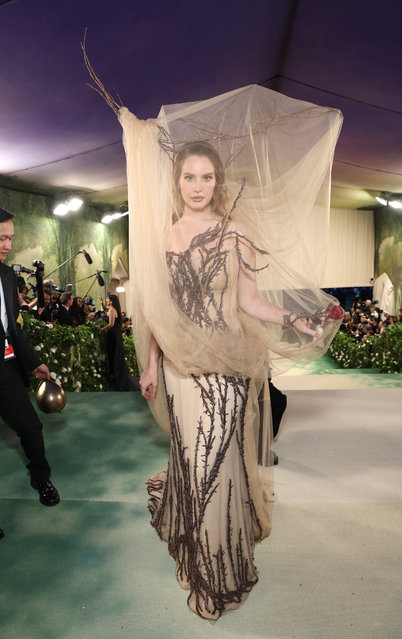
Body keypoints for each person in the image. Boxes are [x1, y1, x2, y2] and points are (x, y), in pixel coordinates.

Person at [139, 142, 341, 619]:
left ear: (218, 182)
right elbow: (156, 312)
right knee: (192, 456)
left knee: (218, 455)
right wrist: (150, 365)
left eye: (206, 177)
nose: (197, 187)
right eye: (189, 177)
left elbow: (250, 301)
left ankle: (220, 564)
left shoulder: (237, 234)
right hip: (179, 368)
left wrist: (291, 319)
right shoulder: (164, 236)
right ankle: (202, 547)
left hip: (228, 362)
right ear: (177, 182)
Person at [0, 207, 60, 507]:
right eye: (1, 238)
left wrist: (34, 361)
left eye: (10, 238)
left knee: (31, 427)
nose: (7, 246)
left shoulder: (8, 275)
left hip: (6, 368)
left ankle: (41, 478)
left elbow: (13, 328)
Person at [98, 294, 139, 391]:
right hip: (116, 334)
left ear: (111, 301)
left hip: (113, 335)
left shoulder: (112, 310)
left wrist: (102, 329)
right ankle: (118, 378)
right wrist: (102, 304)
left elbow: (111, 324)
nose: (107, 301)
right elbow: (106, 310)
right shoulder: (113, 309)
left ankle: (118, 379)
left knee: (115, 356)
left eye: (108, 299)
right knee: (117, 356)